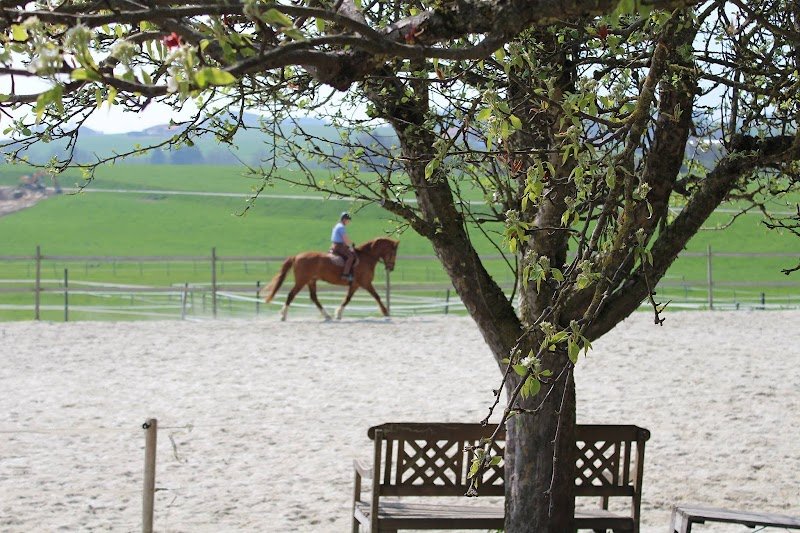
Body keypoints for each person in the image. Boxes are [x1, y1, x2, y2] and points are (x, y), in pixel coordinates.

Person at [330, 212, 357, 282]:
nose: (348, 222)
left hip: (335, 245)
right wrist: (351, 244)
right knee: (351, 257)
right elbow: (345, 239)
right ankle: (345, 275)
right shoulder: (341, 227)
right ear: (344, 220)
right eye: (348, 220)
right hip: (339, 246)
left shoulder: (337, 225)